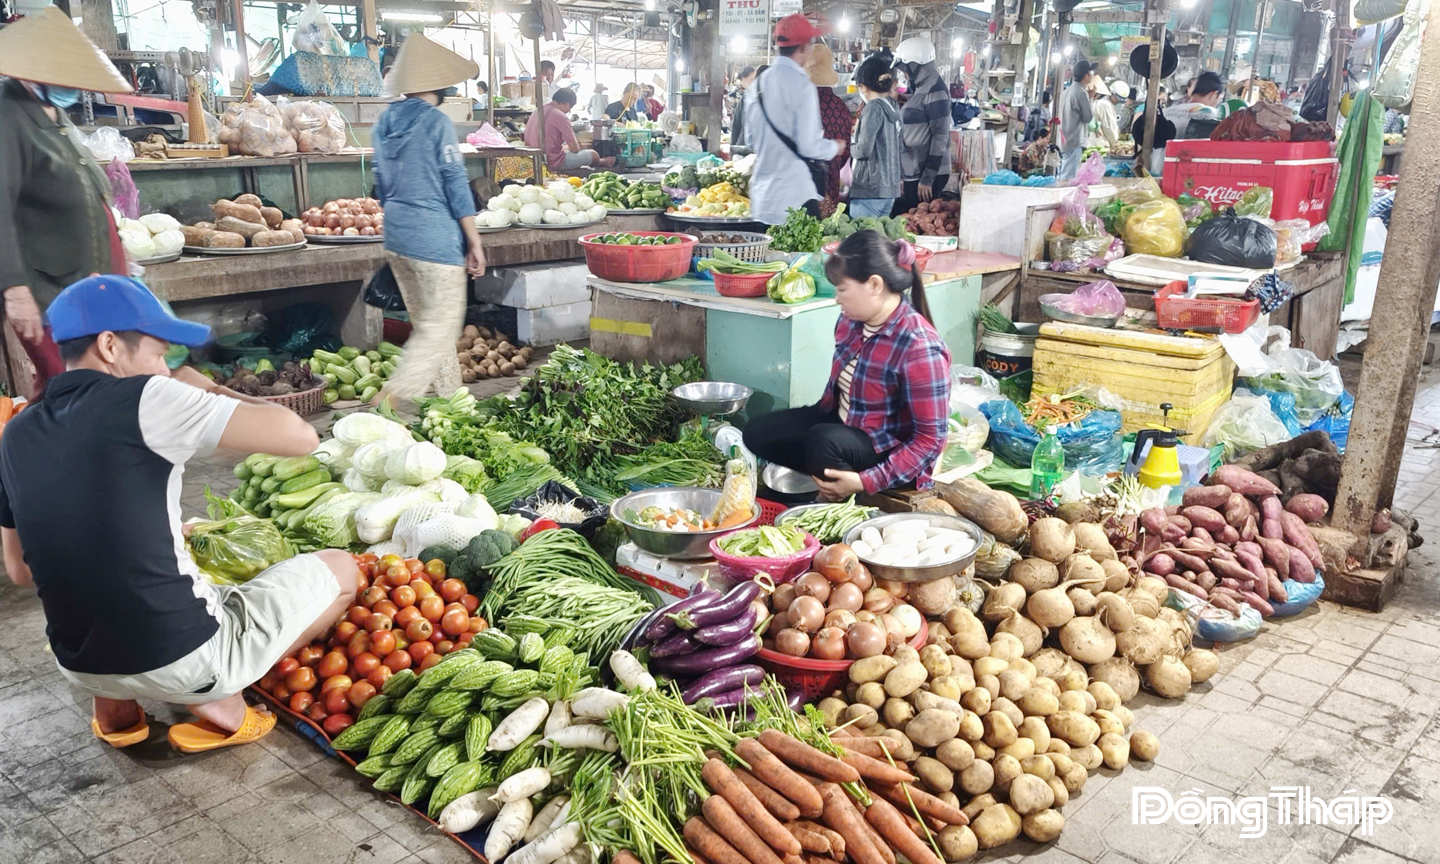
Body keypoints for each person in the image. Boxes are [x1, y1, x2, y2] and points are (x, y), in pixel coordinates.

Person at [0, 274, 361, 752]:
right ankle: (220, 700)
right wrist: (205, 387)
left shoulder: (17, 430)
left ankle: (114, 705)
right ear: (110, 345)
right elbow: (300, 437)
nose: (165, 369)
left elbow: (21, 571)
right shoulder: (148, 396)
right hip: (181, 658)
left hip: (78, 662)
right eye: (157, 354)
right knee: (343, 570)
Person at [744, 231, 950, 500]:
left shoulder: (919, 346)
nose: (837, 298)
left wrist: (865, 480)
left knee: (823, 441)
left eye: (842, 289)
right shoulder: (851, 322)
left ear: (875, 285)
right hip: (845, 426)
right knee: (758, 433)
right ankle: (824, 488)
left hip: (885, 447)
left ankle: (839, 500)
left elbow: (930, 440)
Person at [0, 8, 133, 398]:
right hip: (48, 289)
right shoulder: (8, 119)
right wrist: (14, 290)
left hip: (86, 282)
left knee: (96, 383)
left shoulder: (51, 112)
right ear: (28, 72)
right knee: (73, 386)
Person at [371, 34, 487, 404]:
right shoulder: (437, 123)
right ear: (441, 87)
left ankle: (453, 407)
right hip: (434, 240)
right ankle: (394, 395)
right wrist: (475, 241)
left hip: (398, 238)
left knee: (427, 328)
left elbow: (382, 186)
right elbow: (455, 184)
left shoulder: (385, 121)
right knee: (440, 328)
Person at [743, 15, 846, 224]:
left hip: (763, 200)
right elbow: (809, 146)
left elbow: (750, 141)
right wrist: (835, 147)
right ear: (803, 47)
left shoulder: (757, 86)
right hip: (794, 200)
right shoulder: (802, 86)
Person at [891, 37, 952, 213]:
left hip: (925, 176)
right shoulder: (923, 88)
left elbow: (940, 136)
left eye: (905, 69)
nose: (904, 74)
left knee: (920, 220)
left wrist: (928, 178)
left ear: (916, 65)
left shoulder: (936, 90)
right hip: (914, 172)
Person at [848, 54, 902, 219]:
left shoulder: (873, 108)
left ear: (864, 87)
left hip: (870, 189)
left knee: (862, 241)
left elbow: (863, 150)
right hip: (889, 189)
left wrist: (849, 146)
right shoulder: (892, 106)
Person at [807, 44, 853, 219]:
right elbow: (846, 150)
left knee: (801, 232)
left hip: (802, 189)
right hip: (831, 184)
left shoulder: (800, 105)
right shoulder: (840, 107)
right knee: (824, 236)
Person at [525, 88, 612, 171]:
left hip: (532, 158)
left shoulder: (537, 110)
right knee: (593, 155)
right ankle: (603, 162)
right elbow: (575, 149)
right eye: (569, 108)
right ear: (567, 104)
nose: (568, 111)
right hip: (552, 161)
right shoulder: (560, 116)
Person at [1057, 59, 1095, 180]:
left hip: (1064, 139)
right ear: (1086, 76)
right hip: (1073, 140)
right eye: (1091, 73)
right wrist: (1091, 98)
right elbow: (1088, 117)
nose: (1092, 75)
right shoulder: (1081, 93)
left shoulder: (1067, 91)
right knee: (1068, 178)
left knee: (1063, 175)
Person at [1164, 70, 1225, 139]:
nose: (1218, 102)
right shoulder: (1214, 115)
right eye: (1220, 99)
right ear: (1214, 94)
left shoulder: (1167, 111)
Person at [1088, 77, 1120, 149]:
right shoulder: (1105, 104)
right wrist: (1115, 143)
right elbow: (1108, 127)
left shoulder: (1102, 103)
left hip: (1094, 141)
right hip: (1100, 143)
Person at [730, 66, 757, 147]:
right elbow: (737, 125)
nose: (754, 83)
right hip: (745, 146)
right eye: (752, 79)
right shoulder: (746, 97)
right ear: (743, 78)